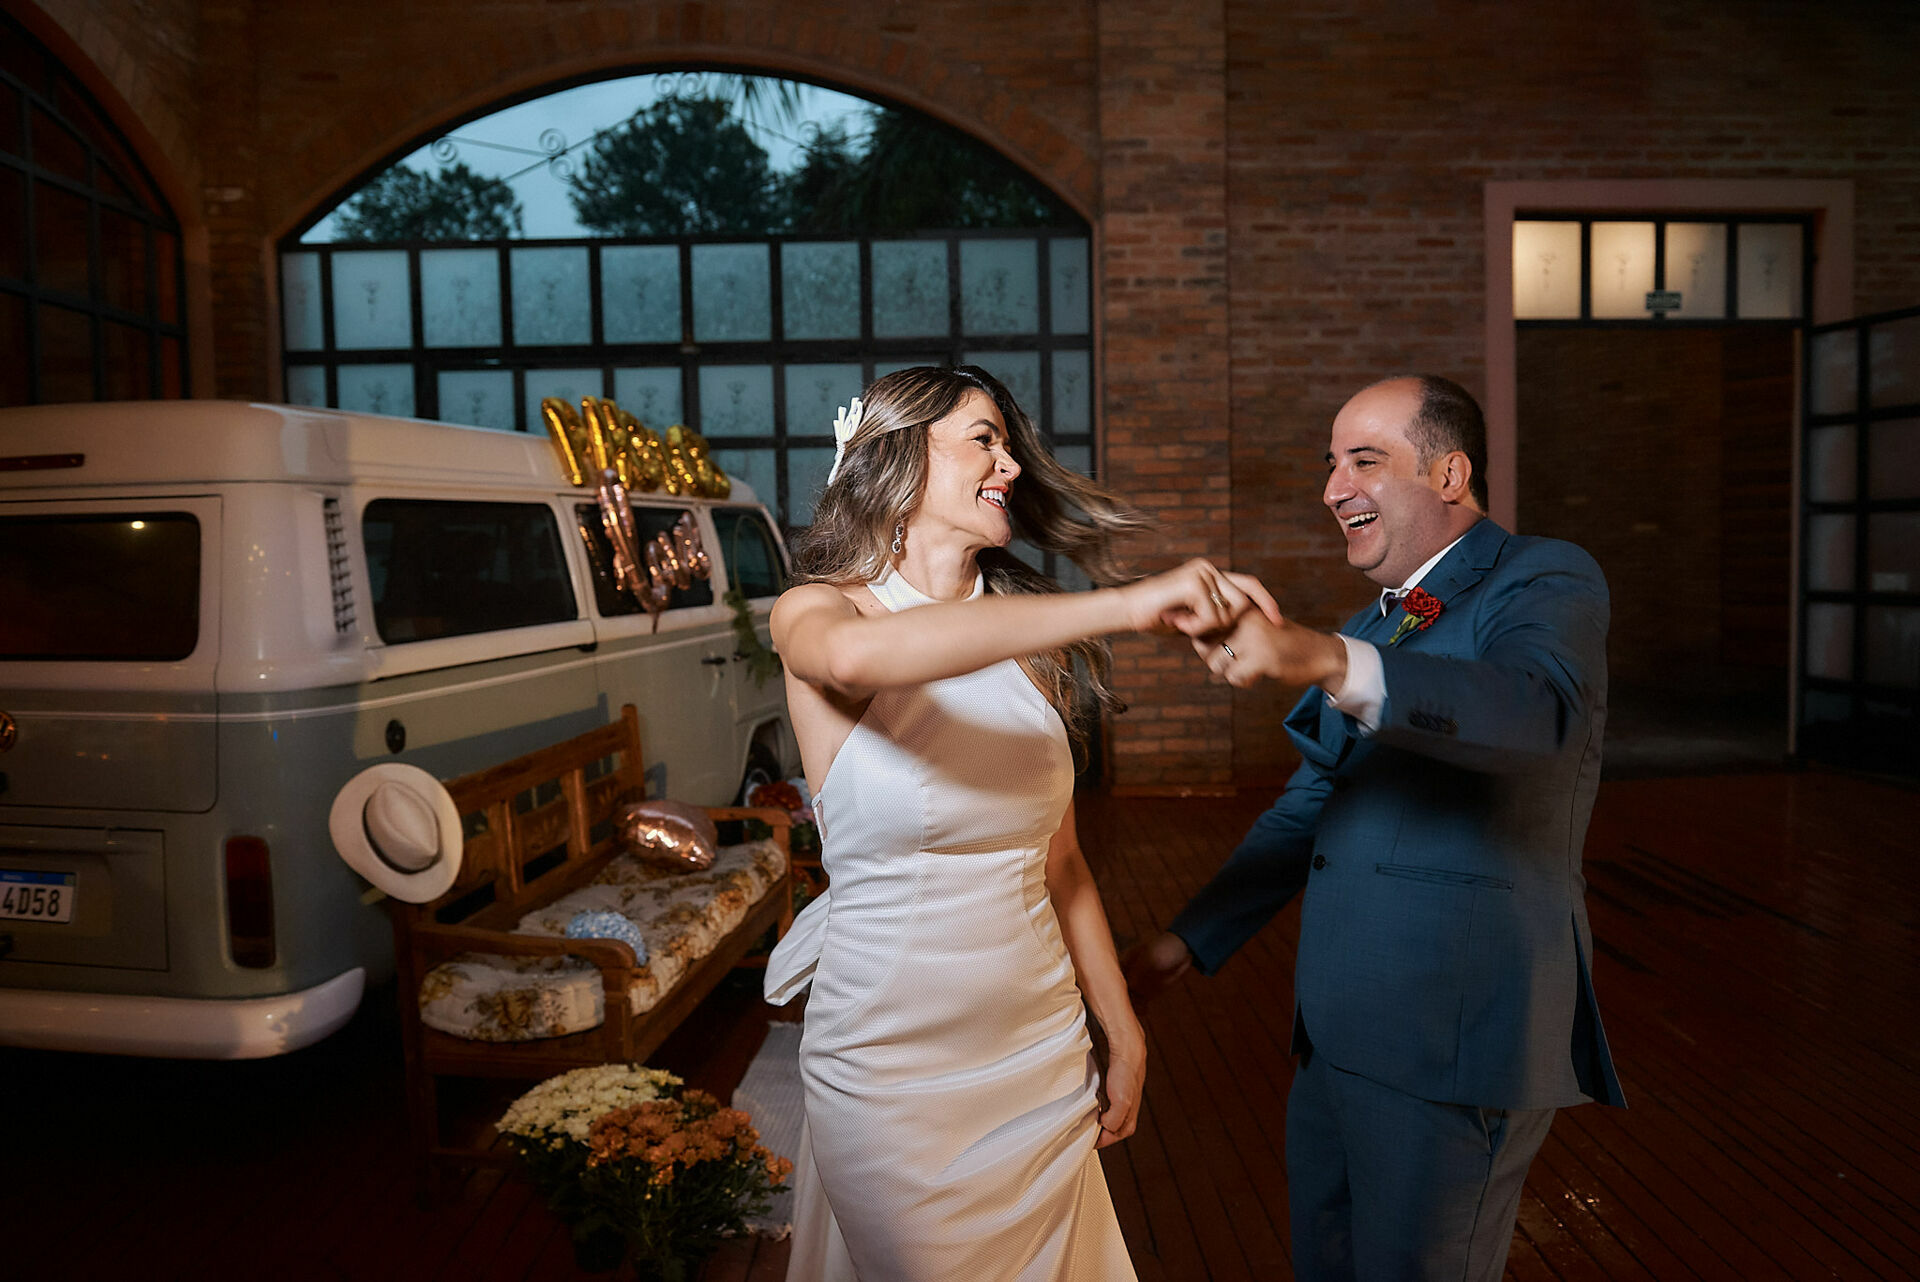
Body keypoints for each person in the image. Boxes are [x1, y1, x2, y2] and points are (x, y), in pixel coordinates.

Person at [763, 364, 1274, 1281]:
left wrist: (1121, 1028)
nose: (1011, 465)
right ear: (898, 458)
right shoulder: (819, 610)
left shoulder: (1028, 645)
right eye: (983, 439)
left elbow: (1065, 862)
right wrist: (1130, 602)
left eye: (1008, 443)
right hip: (891, 1070)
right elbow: (859, 656)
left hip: (1036, 1056)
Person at [1125, 375, 1626, 1282]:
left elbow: (1536, 712)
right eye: (1331, 465)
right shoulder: (1380, 625)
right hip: (1339, 1036)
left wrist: (1320, 656)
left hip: (1452, 1037)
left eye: (1365, 460)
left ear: (1449, 474)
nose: (1333, 487)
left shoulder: (1542, 576)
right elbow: (1318, 799)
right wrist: (1184, 942)